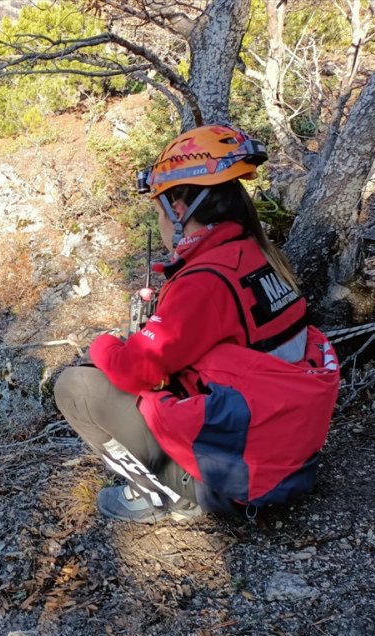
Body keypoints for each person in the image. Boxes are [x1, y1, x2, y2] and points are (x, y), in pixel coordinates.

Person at [55, 123, 340, 524]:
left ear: (179, 209)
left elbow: (133, 371)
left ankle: (164, 496)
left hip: (242, 478)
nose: (160, 223)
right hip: (283, 454)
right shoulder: (257, 257)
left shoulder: (205, 282)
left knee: (76, 385)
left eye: (159, 210)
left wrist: (102, 343)